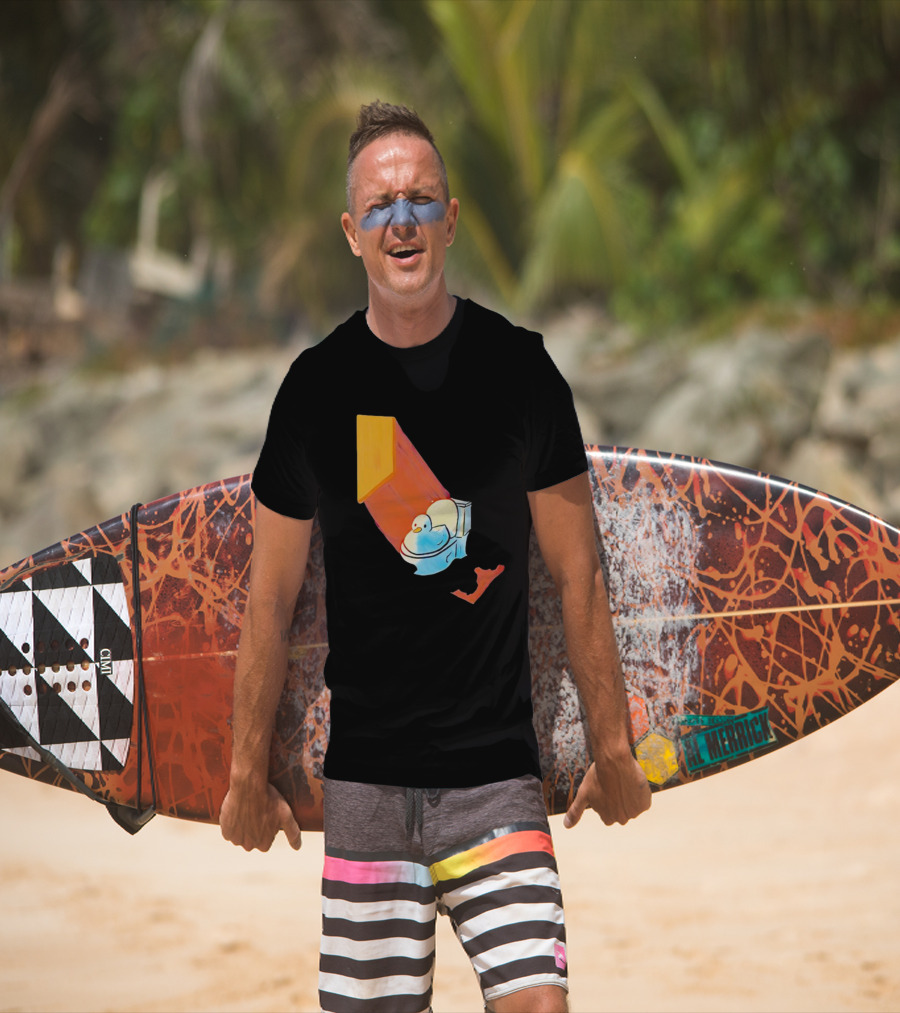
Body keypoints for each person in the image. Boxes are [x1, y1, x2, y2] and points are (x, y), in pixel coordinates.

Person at [220, 100, 651, 1013]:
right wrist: (242, 773)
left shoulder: (522, 372)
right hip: (367, 787)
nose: (402, 220)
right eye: (380, 206)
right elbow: (270, 601)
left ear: (451, 219)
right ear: (351, 233)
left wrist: (612, 746)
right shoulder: (314, 391)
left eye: (421, 200)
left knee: (540, 1003)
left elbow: (579, 575)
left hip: (496, 780)